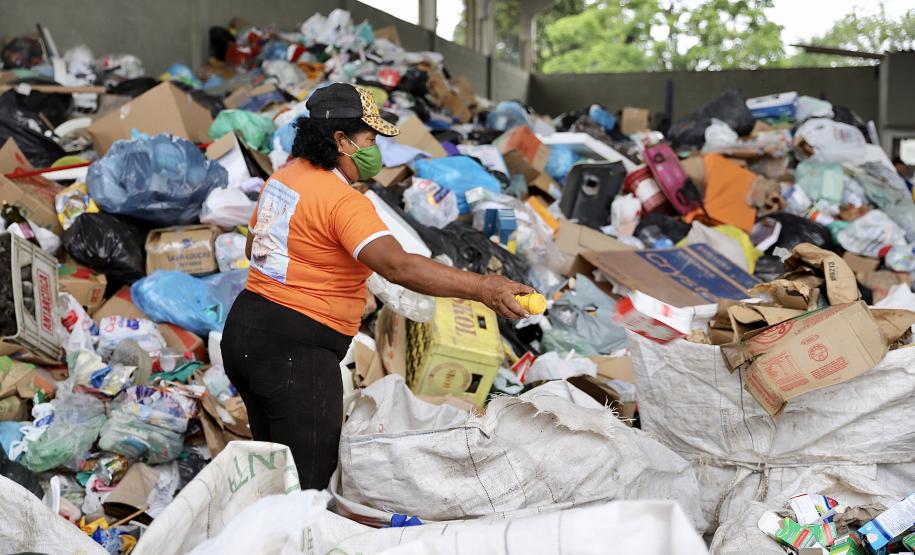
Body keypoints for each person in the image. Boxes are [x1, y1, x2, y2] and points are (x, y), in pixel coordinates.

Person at [221, 83, 536, 489]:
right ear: (340, 140)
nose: (375, 152)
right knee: (308, 486)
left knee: (272, 473)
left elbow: (256, 245)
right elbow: (398, 265)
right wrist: (483, 287)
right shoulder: (343, 201)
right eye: (369, 140)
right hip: (294, 355)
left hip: (246, 335)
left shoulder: (283, 179)